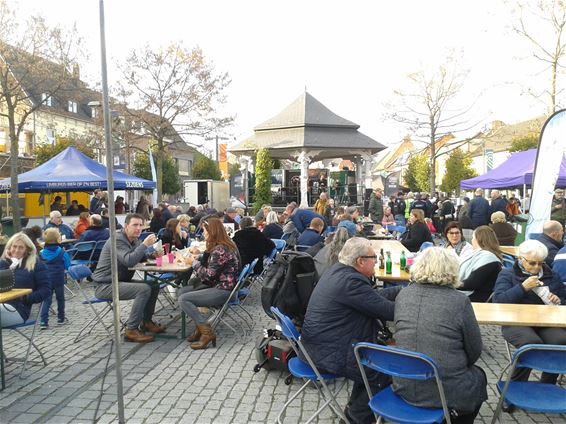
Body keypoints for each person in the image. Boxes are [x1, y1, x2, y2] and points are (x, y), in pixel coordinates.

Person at [301, 237, 401, 424]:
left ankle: (354, 412)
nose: (377, 262)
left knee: (373, 362)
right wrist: (416, 302)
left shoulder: (339, 271)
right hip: (328, 353)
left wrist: (400, 291)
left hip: (319, 346)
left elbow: (371, 298)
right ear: (360, 261)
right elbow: (388, 311)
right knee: (384, 370)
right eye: (374, 258)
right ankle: (356, 418)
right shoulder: (351, 282)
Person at [393, 247, 487, 423]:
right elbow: (474, 350)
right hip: (444, 388)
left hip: (403, 382)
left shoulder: (403, 295)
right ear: (452, 269)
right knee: (479, 377)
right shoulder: (459, 301)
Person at [493, 239, 566, 384]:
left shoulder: (551, 275)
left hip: (546, 322)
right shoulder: (508, 274)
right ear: (521, 259)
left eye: (541, 263)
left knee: (561, 340)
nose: (537, 267)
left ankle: (547, 384)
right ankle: (515, 385)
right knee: (530, 343)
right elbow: (499, 301)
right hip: (515, 322)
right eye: (532, 263)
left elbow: (564, 298)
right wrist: (522, 288)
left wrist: (559, 300)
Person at [92, 213, 164, 343]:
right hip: (106, 284)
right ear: (126, 226)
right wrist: (144, 245)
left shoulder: (134, 239)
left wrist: (153, 254)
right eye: (135, 225)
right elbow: (129, 261)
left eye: (140, 225)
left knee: (153, 284)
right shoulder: (117, 239)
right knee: (143, 289)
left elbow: (139, 257)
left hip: (121, 280)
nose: (138, 228)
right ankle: (131, 329)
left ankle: (146, 322)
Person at [177, 217, 240, 350]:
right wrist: (200, 258)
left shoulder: (219, 250)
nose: (204, 234)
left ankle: (207, 332)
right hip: (225, 286)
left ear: (212, 232)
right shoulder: (224, 245)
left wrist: (193, 263)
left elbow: (208, 277)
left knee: (184, 299)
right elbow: (211, 266)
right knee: (182, 292)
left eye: (206, 231)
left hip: (223, 290)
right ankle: (199, 329)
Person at [0, 233, 51, 328]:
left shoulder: (36, 265)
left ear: (27, 250)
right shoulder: (3, 263)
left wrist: (26, 298)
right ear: (9, 248)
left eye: (21, 248)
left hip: (19, 309)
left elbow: (46, 290)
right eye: (14, 246)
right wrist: (6, 262)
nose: (16, 250)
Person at [458, 226, 502, 302]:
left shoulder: (488, 258)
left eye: (473, 238)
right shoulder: (480, 255)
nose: (471, 241)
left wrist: (450, 283)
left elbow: (471, 284)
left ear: (478, 239)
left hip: (476, 298)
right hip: (470, 295)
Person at [39, 228, 71, 329]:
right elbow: (67, 265)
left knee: (46, 300)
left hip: (46, 280)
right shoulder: (62, 252)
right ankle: (61, 318)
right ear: (58, 239)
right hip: (59, 279)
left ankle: (43, 321)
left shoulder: (41, 253)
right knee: (60, 298)